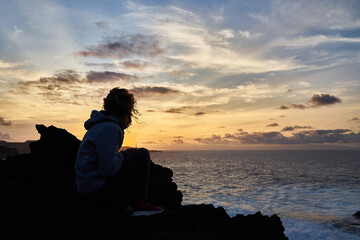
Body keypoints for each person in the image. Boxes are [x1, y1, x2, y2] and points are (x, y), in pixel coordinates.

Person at [75, 87, 164, 216]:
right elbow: (108, 170)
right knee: (143, 154)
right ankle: (140, 204)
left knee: (132, 156)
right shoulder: (110, 128)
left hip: (88, 188)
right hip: (96, 191)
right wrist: (123, 156)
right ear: (126, 111)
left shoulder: (100, 125)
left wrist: (123, 154)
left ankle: (128, 202)